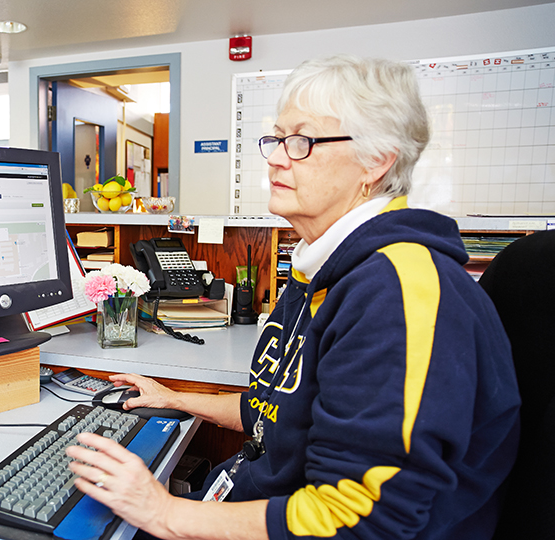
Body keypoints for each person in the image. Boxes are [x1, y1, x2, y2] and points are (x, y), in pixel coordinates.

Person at [65, 55, 521, 540]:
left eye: (302, 142)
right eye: (278, 139)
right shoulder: (321, 270)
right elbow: (278, 411)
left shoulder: (396, 294)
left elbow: (366, 519)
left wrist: (165, 513)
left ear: (378, 159)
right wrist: (176, 398)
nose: (277, 157)